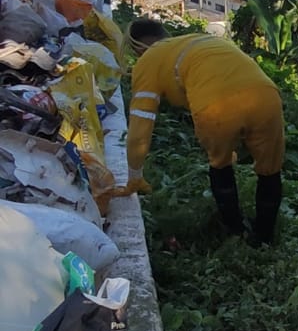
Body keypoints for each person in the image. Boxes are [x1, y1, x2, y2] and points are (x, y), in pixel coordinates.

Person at [115, 18, 285, 246]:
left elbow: (140, 129)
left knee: (220, 166)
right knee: (270, 171)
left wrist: (134, 176)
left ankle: (237, 234)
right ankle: (266, 239)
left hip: (216, 107)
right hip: (266, 96)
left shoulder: (148, 60)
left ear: (139, 48)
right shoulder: (198, 41)